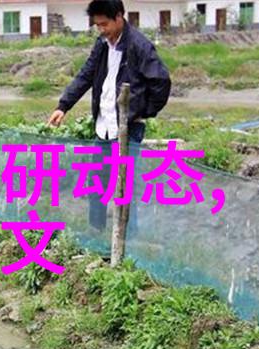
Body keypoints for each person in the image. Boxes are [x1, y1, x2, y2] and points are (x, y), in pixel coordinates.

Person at [48, 0, 171, 233]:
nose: (101, 29)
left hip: (127, 129)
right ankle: (96, 234)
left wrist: (142, 111)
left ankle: (127, 241)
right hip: (104, 126)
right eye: (97, 25)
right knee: (97, 183)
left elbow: (161, 82)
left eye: (104, 24)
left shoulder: (140, 46)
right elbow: (86, 75)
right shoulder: (102, 44)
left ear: (119, 17)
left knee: (125, 188)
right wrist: (63, 106)